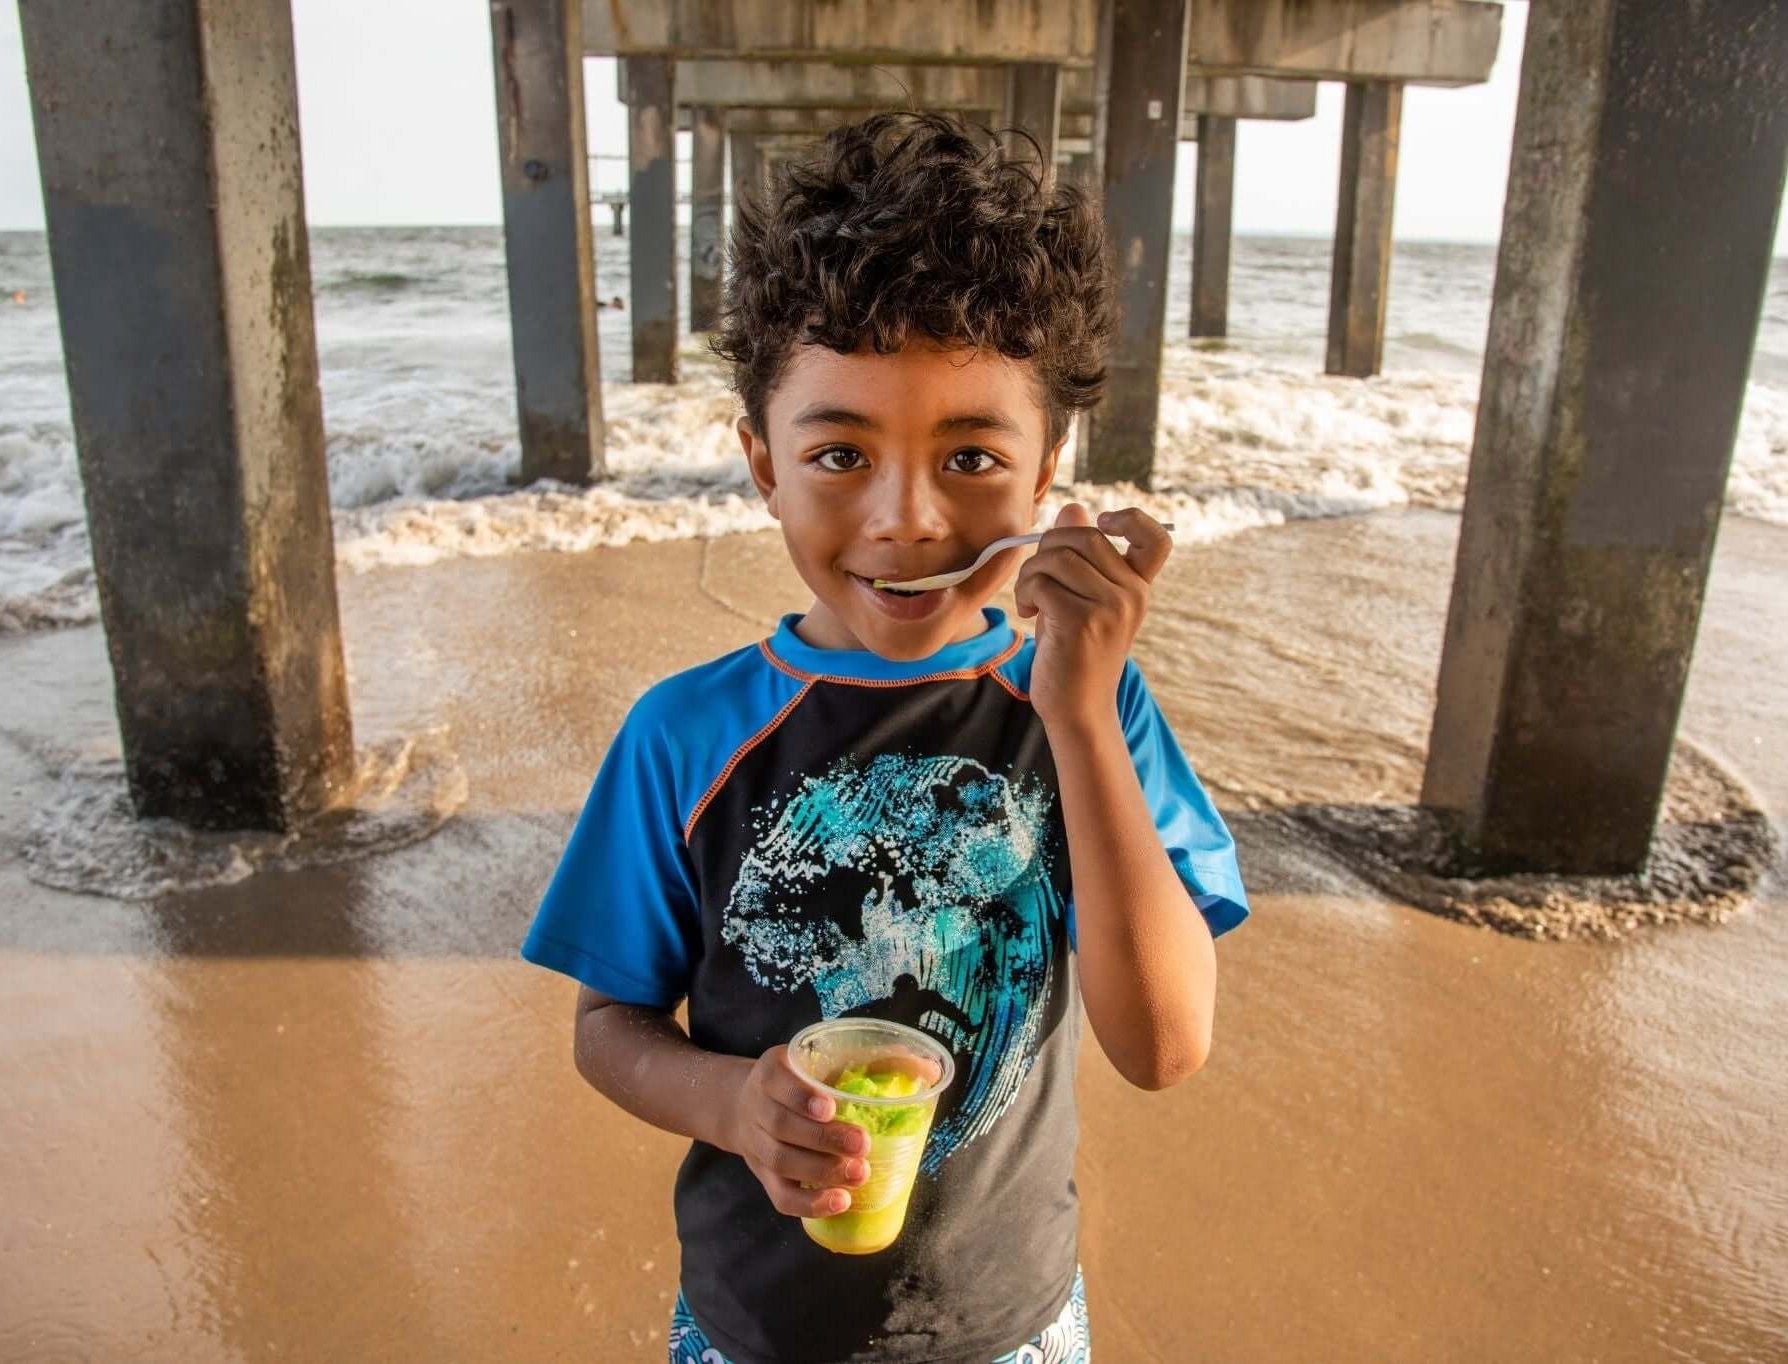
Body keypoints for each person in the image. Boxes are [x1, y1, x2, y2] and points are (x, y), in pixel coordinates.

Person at [522, 112, 1248, 1364]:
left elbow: (1164, 1045)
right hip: (749, 1331)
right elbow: (608, 1025)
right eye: (839, 451)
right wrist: (731, 1102)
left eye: (970, 453)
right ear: (760, 460)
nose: (907, 519)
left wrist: (1077, 710)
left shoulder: (1090, 707)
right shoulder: (683, 736)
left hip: (1010, 1326)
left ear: (1046, 471)